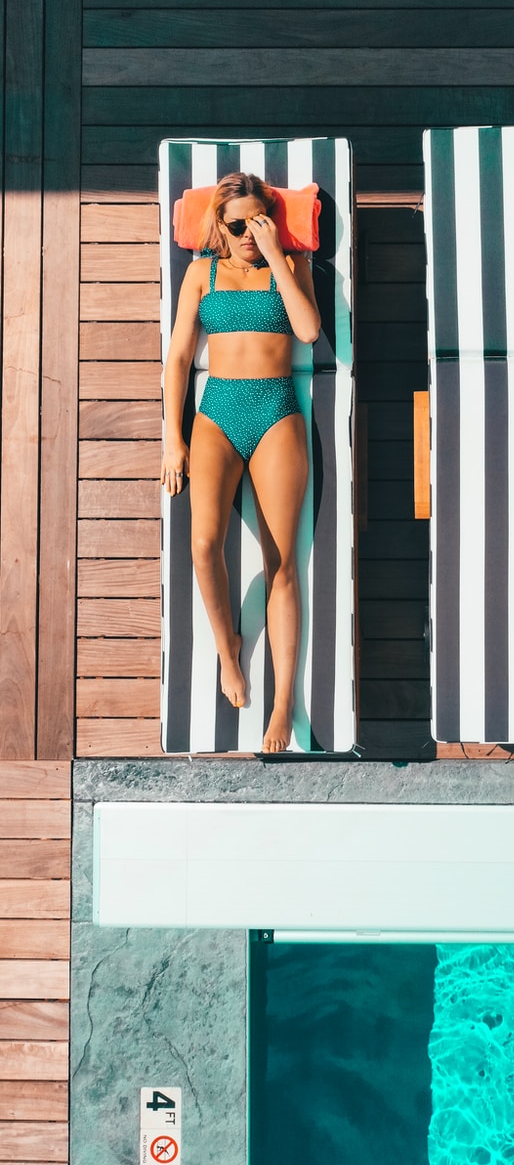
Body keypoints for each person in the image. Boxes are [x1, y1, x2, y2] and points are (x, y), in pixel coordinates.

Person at [161, 172, 320, 753]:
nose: (249, 233)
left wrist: (278, 254)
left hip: (276, 409)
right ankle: (228, 651)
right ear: (218, 226)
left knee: (282, 562)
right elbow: (180, 357)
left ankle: (282, 704)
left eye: (260, 221)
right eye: (238, 224)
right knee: (204, 546)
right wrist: (172, 438)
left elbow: (309, 331)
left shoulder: (291, 265)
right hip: (218, 411)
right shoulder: (200, 274)